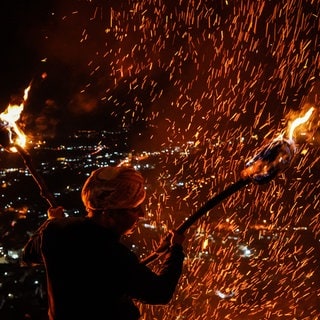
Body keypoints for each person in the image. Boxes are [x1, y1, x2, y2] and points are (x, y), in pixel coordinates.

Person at [21, 166, 185, 320]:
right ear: (109, 214)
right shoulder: (113, 255)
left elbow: (29, 255)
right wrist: (175, 251)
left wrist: (52, 222)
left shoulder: (55, 231)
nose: (141, 214)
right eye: (134, 208)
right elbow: (160, 293)